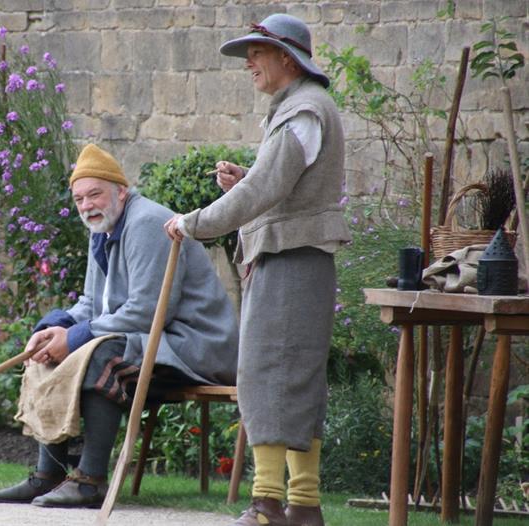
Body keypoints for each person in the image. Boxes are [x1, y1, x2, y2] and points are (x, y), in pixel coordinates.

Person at [164, 13, 350, 526]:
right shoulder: (298, 110)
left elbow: (263, 192)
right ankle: (304, 507)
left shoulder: (303, 112)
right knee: (290, 377)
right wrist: (247, 178)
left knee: (270, 374)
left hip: (291, 262)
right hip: (293, 259)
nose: (249, 62)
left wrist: (194, 222)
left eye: (257, 53)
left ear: (286, 59)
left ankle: (268, 505)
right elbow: (276, 184)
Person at [0, 144, 239, 508]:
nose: (87, 205)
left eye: (95, 194)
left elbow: (149, 312)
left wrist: (75, 338)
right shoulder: (101, 229)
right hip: (151, 341)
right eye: (79, 199)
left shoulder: (146, 223)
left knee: (98, 354)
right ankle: (50, 474)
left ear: (121, 191)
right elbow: (93, 304)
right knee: (48, 352)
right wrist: (54, 327)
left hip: (193, 346)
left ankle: (90, 482)